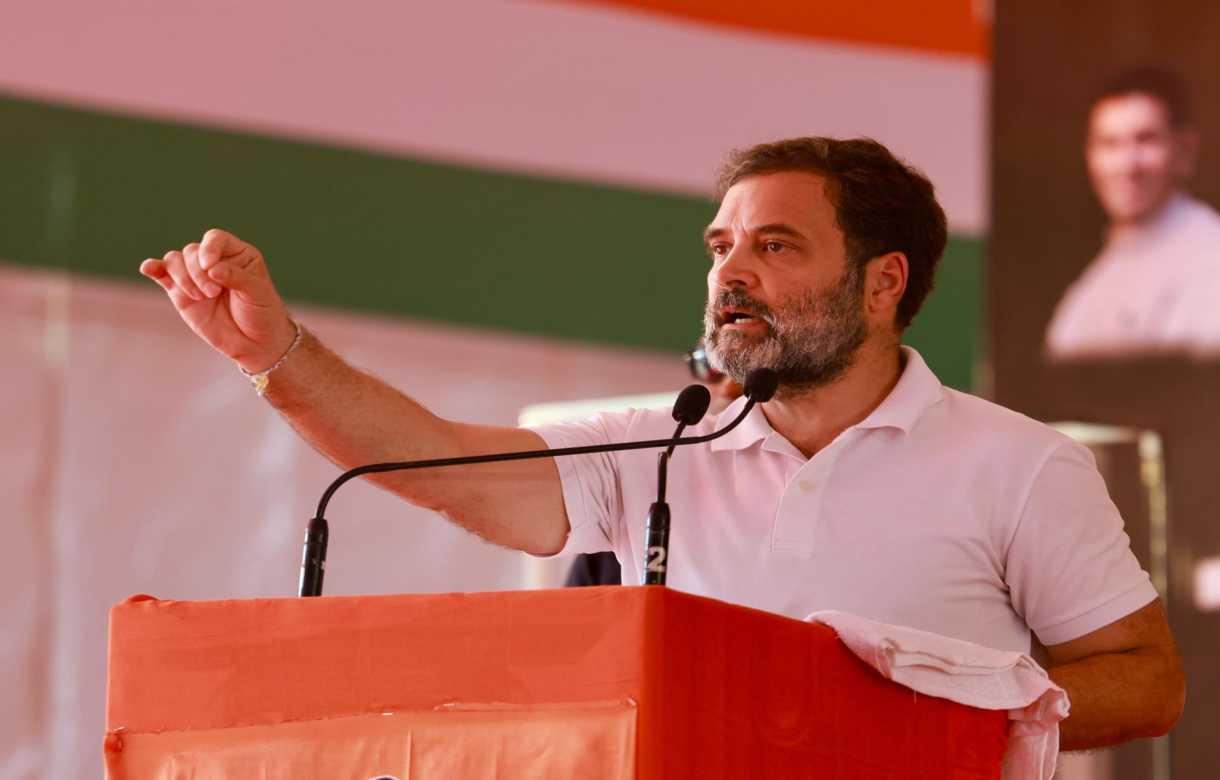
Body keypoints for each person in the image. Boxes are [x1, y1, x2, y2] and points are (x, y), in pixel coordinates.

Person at [140, 136, 1183, 750]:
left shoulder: (1018, 464)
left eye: (774, 247)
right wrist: (273, 355)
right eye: (720, 246)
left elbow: (1143, 679)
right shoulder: (655, 442)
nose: (730, 274)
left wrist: (931, 717)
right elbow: (435, 464)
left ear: (882, 281)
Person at [1045, 66, 1220, 359]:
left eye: (1145, 139)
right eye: (1109, 143)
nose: (1128, 165)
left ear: (1184, 150)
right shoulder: (1092, 284)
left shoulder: (1210, 257)